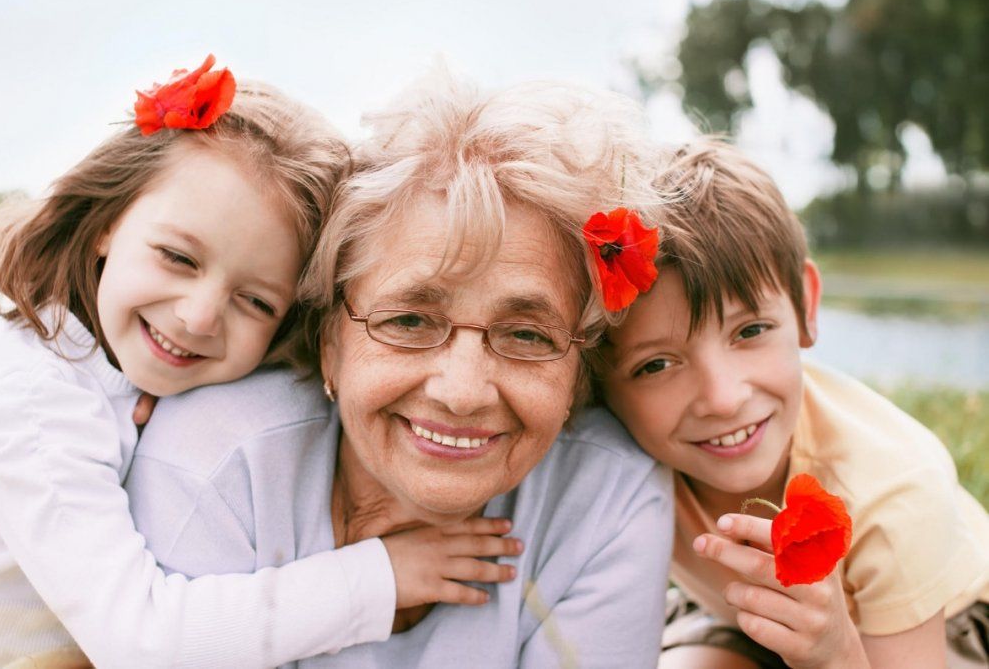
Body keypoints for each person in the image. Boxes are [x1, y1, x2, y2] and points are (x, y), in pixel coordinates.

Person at [0, 57, 519, 669]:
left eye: (256, 301)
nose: (201, 317)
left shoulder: (117, 358)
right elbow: (137, 640)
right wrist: (382, 576)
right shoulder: (32, 396)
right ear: (106, 221)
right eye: (178, 258)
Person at [124, 69, 676, 667]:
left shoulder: (607, 497)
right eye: (410, 321)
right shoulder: (218, 461)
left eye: (526, 334)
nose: (462, 394)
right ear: (329, 339)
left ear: (578, 367)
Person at [598, 138, 989, 669]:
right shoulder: (607, 453)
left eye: (750, 330)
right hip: (736, 612)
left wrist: (834, 653)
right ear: (596, 381)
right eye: (657, 365)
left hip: (937, 625)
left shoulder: (894, 492)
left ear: (805, 305)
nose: (723, 398)